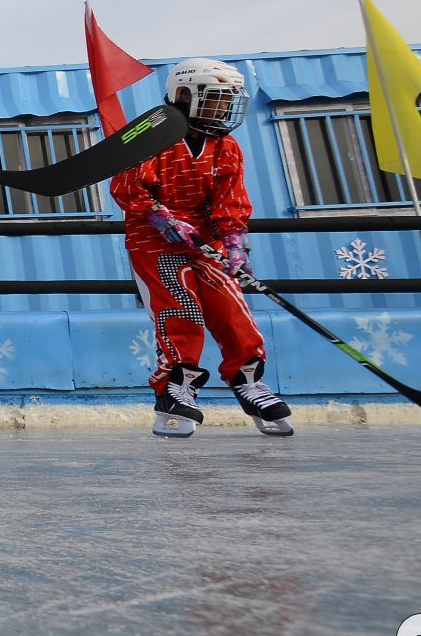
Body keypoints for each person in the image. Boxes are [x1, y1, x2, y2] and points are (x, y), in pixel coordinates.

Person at [109, 58, 293, 438]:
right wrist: (161, 217)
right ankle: (177, 386)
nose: (222, 109)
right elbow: (128, 187)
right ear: (183, 96)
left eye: (227, 101)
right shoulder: (149, 135)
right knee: (181, 308)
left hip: (204, 239)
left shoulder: (225, 146)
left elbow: (231, 198)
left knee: (232, 308)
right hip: (154, 240)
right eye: (214, 100)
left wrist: (234, 240)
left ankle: (248, 380)